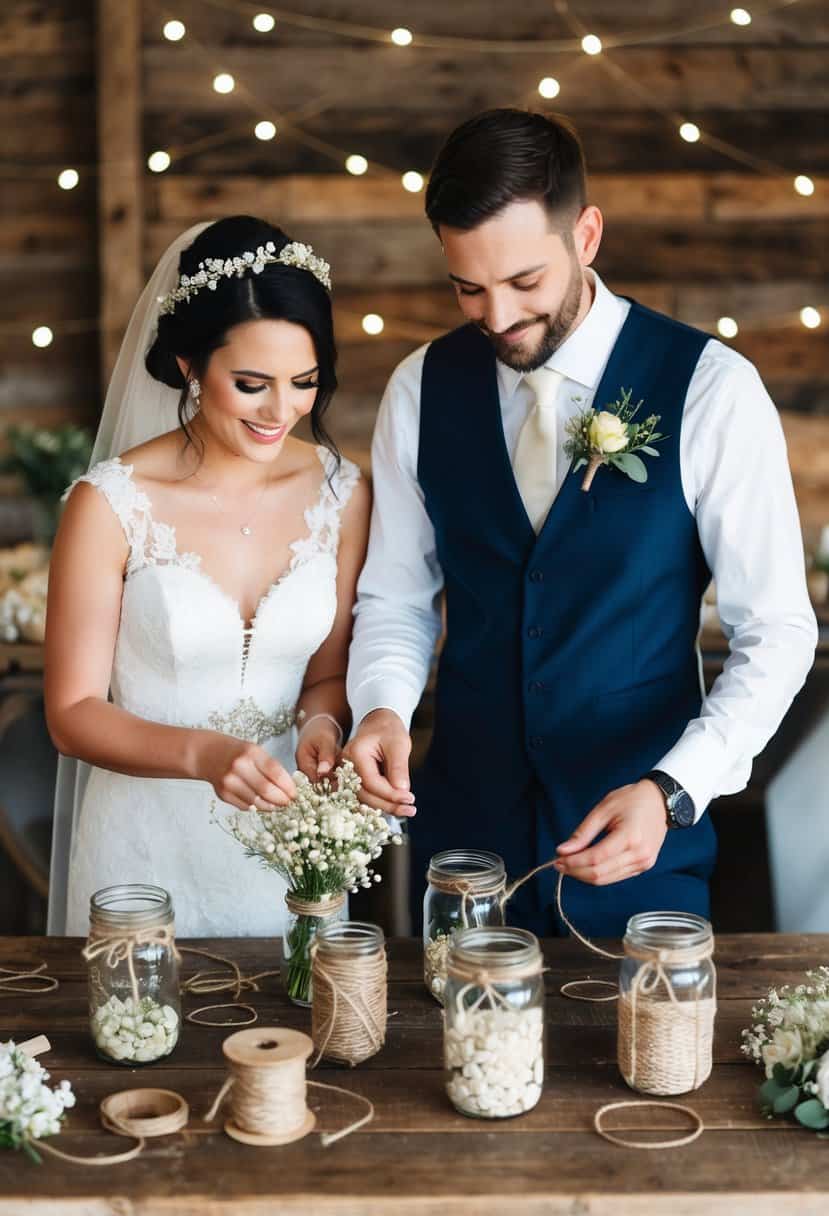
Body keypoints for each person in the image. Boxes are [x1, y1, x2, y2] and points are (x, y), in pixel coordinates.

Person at [344, 109, 818, 937]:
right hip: (464, 856)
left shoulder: (711, 388)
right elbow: (394, 598)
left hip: (639, 850)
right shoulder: (420, 388)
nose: (494, 316)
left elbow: (775, 632)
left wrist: (673, 789)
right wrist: (380, 707)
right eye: (467, 288)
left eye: (524, 282)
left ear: (586, 234)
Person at [45, 215, 370, 936]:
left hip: (287, 840)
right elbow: (71, 714)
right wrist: (205, 754)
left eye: (304, 383)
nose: (280, 411)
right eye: (251, 383)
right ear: (190, 365)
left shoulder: (344, 493)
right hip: (140, 848)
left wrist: (321, 721)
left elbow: (325, 674)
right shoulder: (109, 505)